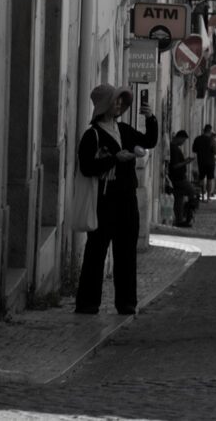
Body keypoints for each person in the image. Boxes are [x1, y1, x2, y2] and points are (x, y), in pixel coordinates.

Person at [75, 84, 158, 315]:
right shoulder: (92, 135)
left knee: (126, 252)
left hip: (127, 200)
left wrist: (150, 118)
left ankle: (126, 302)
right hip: (104, 200)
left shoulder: (124, 130)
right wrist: (114, 159)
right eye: (116, 101)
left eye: (122, 101)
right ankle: (88, 303)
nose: (119, 104)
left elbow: (149, 141)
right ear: (104, 104)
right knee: (96, 251)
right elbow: (87, 166)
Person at [168, 130, 198, 227]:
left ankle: (180, 220)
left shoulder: (174, 147)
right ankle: (188, 215)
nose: (183, 143)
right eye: (183, 140)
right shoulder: (174, 149)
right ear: (179, 138)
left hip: (176, 177)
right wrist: (187, 161)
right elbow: (175, 165)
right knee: (192, 192)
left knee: (179, 198)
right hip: (179, 178)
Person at [193, 124, 216, 201]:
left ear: (203, 130)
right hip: (210, 162)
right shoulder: (211, 140)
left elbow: (194, 150)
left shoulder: (197, 139)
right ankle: (208, 197)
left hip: (201, 162)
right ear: (210, 131)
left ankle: (202, 196)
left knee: (201, 179)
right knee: (209, 179)